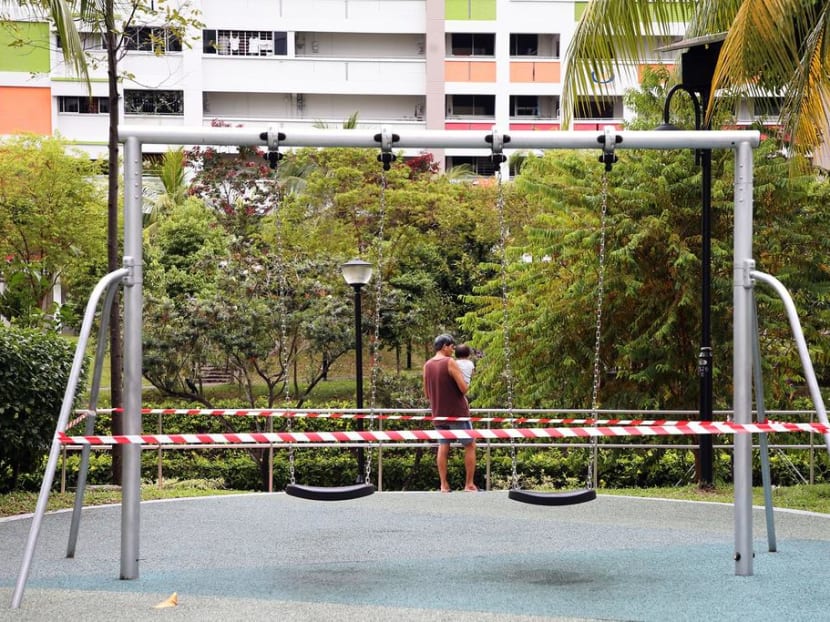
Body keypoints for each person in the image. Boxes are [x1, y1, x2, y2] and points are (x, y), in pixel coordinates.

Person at [423, 333, 477, 492]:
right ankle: (469, 484)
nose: (453, 350)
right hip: (457, 412)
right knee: (470, 445)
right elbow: (464, 388)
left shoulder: (427, 364)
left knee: (443, 446)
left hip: (438, 412)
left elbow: (426, 393)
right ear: (445, 346)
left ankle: (443, 485)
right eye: (452, 347)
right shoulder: (449, 362)